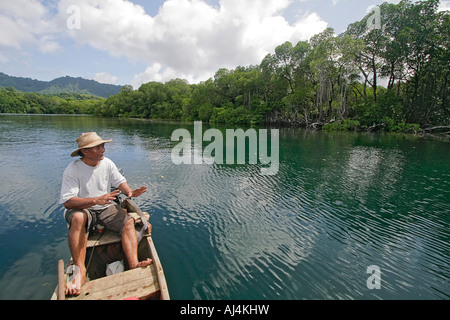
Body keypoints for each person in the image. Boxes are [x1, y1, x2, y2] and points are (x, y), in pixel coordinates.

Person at [59, 132, 151, 296]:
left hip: (105, 206)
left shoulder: (107, 163)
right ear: (85, 151)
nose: (103, 149)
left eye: (103, 146)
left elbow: (119, 182)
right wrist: (95, 200)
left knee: (128, 222)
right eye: (98, 147)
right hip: (84, 208)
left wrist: (130, 192)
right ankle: (80, 271)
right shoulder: (73, 169)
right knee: (78, 218)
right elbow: (68, 202)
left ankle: (134, 263)